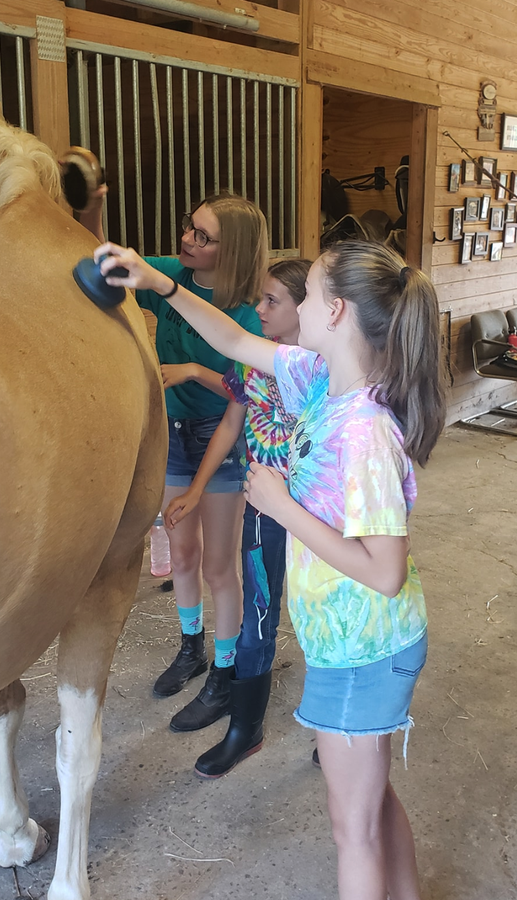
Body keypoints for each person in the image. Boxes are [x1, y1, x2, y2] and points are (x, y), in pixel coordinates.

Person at [94, 238, 446, 900]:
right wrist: (158, 284)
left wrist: (281, 507)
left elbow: (384, 571)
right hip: (351, 643)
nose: (290, 306)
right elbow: (229, 340)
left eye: (306, 294)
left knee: (353, 833)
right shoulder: (320, 380)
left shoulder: (363, 432)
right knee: (370, 805)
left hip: (363, 648)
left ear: (336, 312)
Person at [81, 191, 268, 732]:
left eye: (202, 236)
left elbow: (243, 395)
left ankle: (226, 672)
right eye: (190, 226)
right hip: (172, 432)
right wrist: (93, 212)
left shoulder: (248, 312)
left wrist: (190, 369)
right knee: (181, 555)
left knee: (218, 567)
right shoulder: (172, 273)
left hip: (222, 440)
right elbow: (106, 257)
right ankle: (192, 649)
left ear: (230, 251)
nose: (187, 238)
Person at [164, 258, 310, 778]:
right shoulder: (253, 362)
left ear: (306, 308)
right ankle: (244, 728)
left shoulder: (324, 366)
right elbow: (232, 424)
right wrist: (197, 488)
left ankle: (337, 723)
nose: (260, 309)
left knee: (326, 612)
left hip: (320, 511)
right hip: (264, 508)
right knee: (260, 612)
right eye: (260, 298)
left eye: (273, 301)